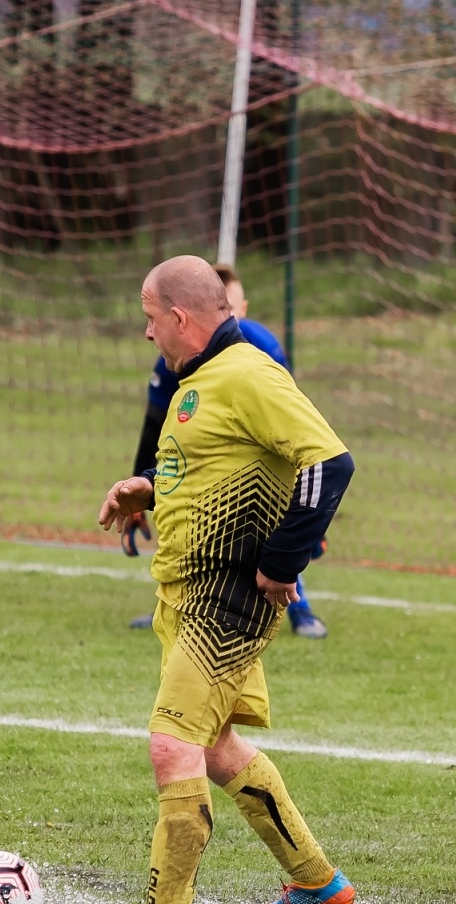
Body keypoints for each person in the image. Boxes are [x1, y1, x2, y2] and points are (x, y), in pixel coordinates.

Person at [96, 255, 357, 904]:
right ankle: (316, 882)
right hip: (186, 595)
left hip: (229, 597)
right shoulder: (200, 380)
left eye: (150, 318)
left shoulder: (248, 373)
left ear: (180, 317)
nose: (147, 332)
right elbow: (209, 466)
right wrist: (147, 486)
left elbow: (329, 462)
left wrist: (280, 563)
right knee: (213, 746)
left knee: (171, 743)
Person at [121, 263, 330, 639]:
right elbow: (158, 428)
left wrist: (304, 530)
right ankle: (177, 603)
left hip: (260, 488)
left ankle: (302, 610)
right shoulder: (177, 360)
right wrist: (144, 484)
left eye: (228, 310)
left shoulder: (259, 359)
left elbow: (301, 446)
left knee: (267, 538)